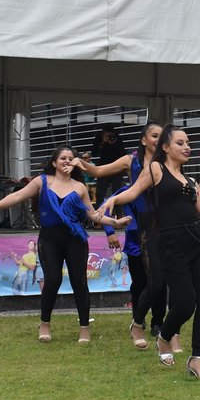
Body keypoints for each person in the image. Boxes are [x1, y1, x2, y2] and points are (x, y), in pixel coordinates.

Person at [103, 125, 200, 379]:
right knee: (185, 304)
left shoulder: (192, 182)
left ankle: (197, 358)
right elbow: (132, 191)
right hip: (171, 245)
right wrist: (112, 201)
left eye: (188, 143)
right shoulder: (155, 169)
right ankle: (164, 336)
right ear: (165, 147)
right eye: (180, 143)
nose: (187, 147)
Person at [0, 146, 130, 344]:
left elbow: (93, 215)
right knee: (53, 279)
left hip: (75, 240)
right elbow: (17, 196)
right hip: (49, 240)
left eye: (71, 158)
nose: (67, 161)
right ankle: (45, 323)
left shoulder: (79, 187)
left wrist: (115, 223)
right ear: (54, 162)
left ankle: (84, 327)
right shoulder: (42, 182)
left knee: (79, 281)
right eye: (63, 158)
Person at [77, 121, 167, 349]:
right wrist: (81, 162)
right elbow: (99, 172)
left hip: (164, 225)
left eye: (161, 135)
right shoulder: (132, 160)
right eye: (154, 135)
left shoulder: (168, 160)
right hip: (138, 228)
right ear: (144, 139)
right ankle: (139, 318)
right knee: (141, 279)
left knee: (161, 278)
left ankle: (159, 322)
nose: (158, 139)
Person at [91, 125, 127, 201]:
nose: (109, 136)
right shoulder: (99, 138)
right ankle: (99, 209)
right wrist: (103, 142)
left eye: (110, 134)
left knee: (117, 192)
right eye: (106, 134)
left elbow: (123, 154)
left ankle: (118, 211)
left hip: (117, 168)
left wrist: (114, 144)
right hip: (104, 167)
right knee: (100, 193)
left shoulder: (117, 138)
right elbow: (94, 153)